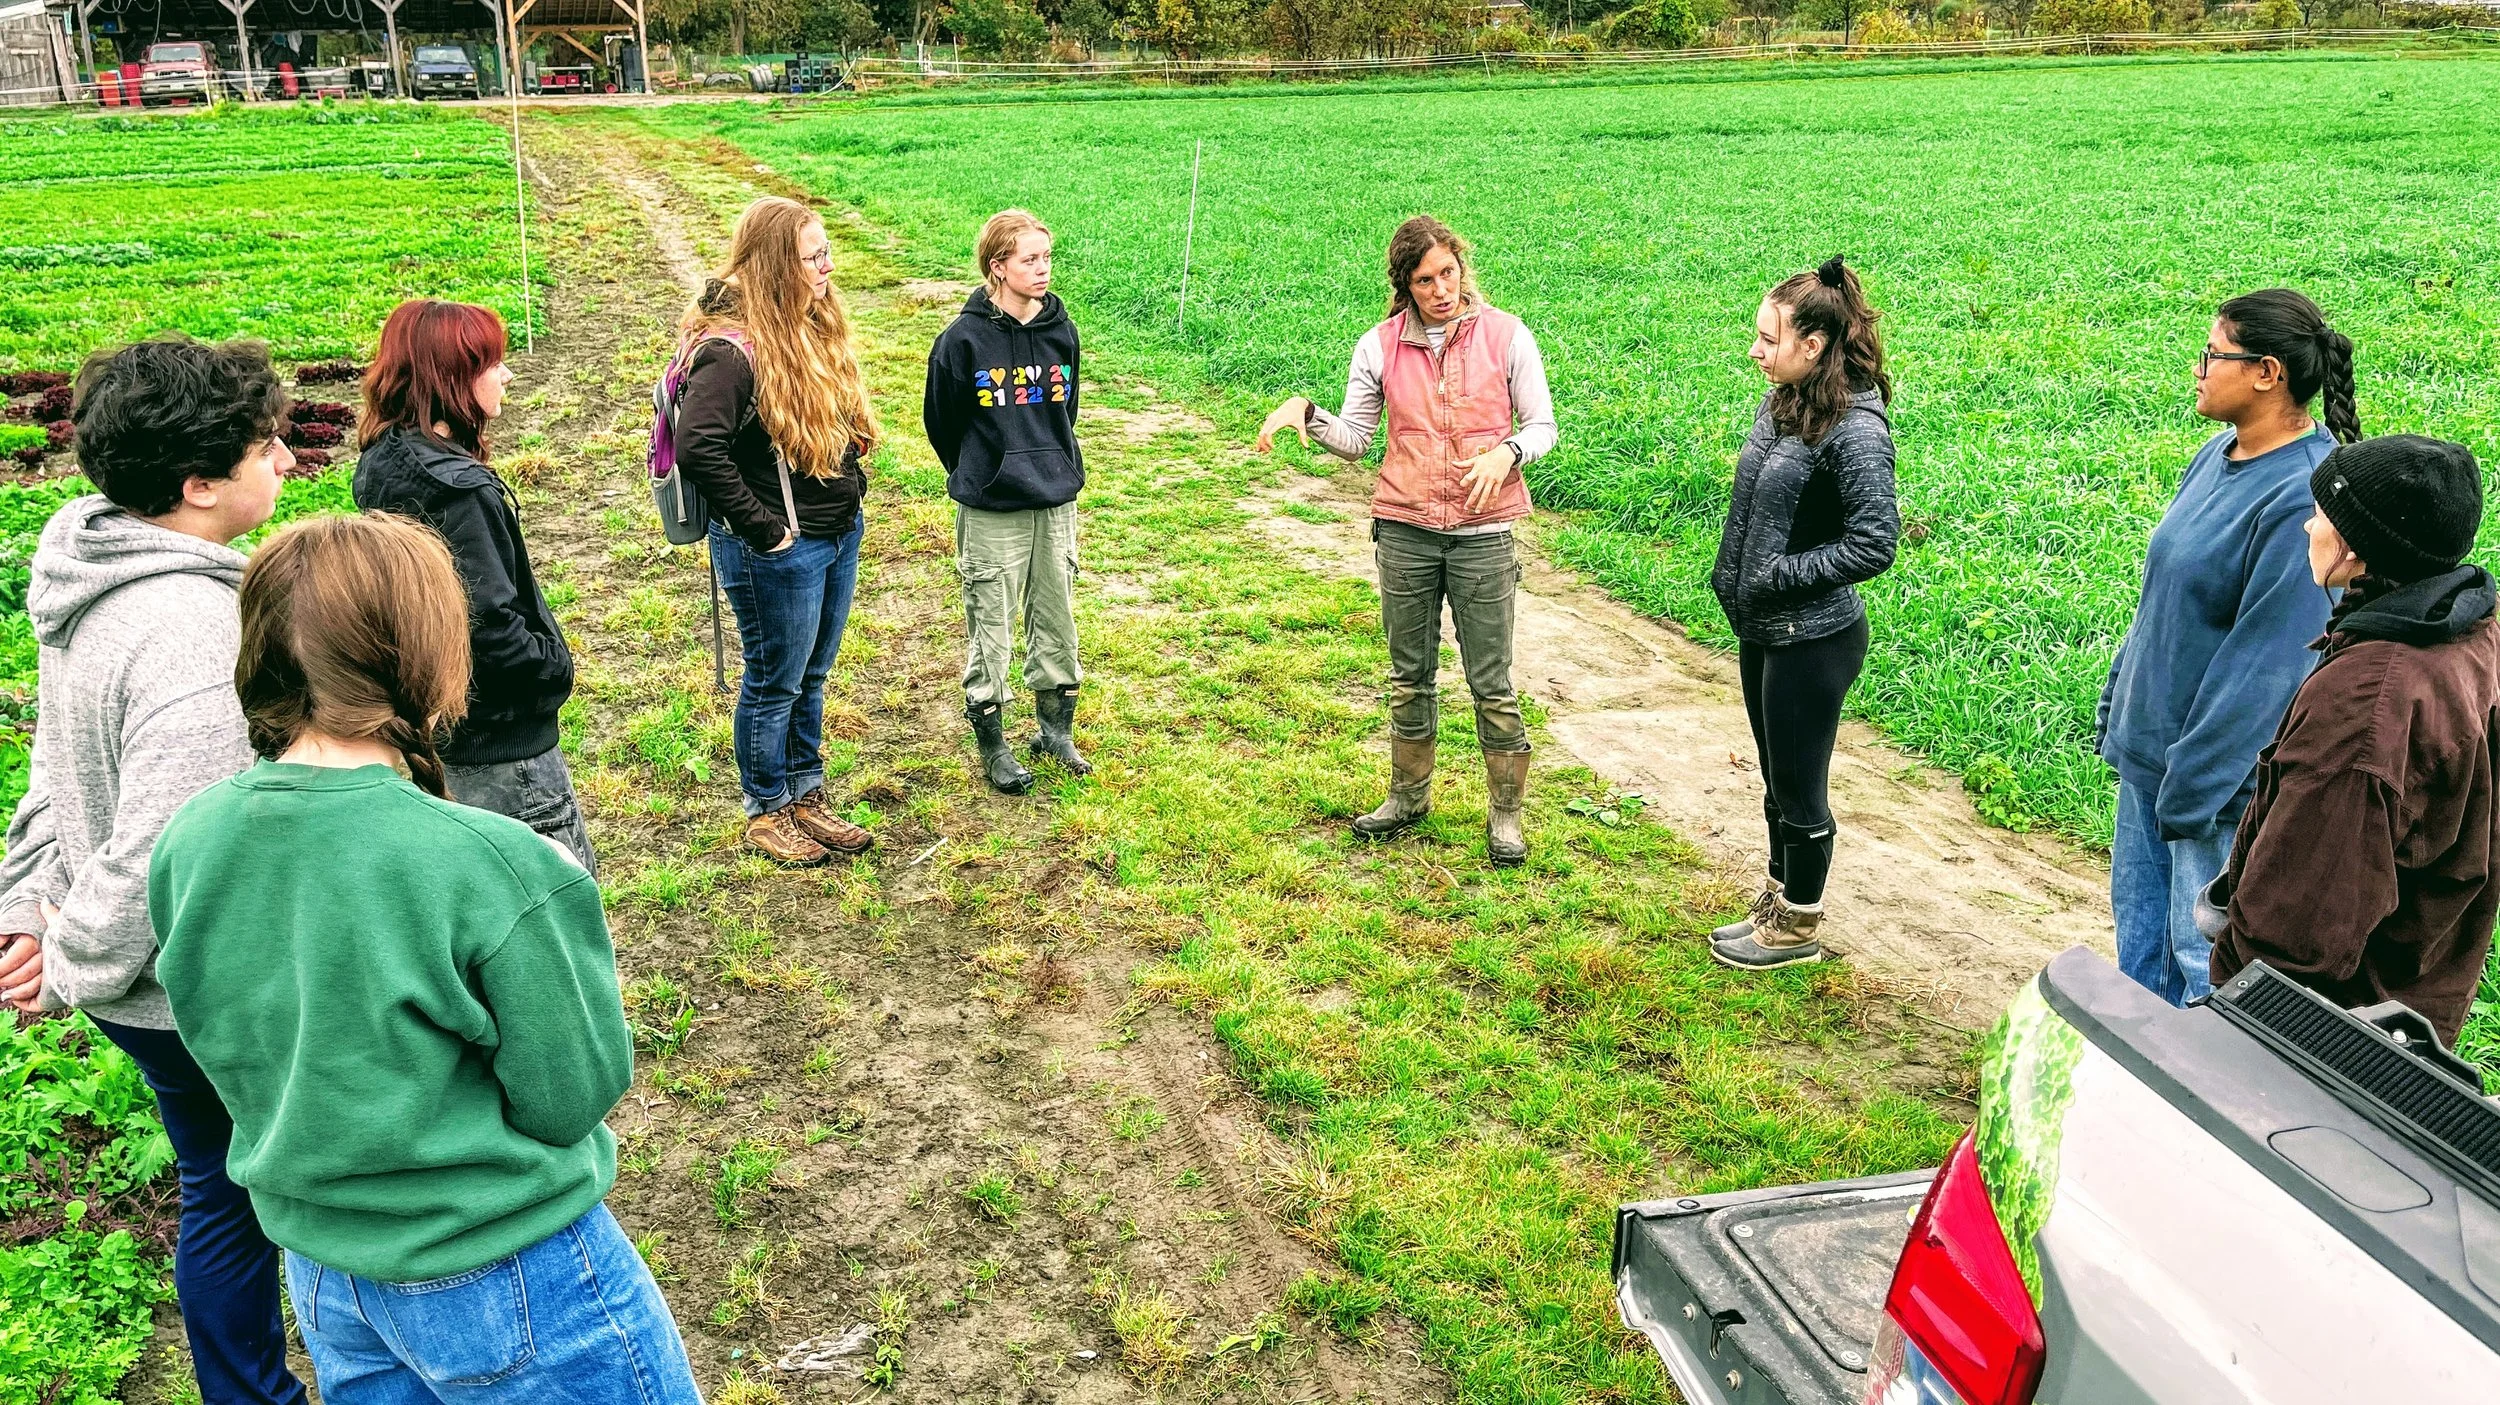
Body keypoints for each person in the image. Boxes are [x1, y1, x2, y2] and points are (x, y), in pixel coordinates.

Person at [148, 513, 700, 1404]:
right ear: (425, 653)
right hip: (509, 1272)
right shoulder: (493, 862)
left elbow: (220, 1042)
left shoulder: (191, 839)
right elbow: (571, 1097)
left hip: (326, 1274)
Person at [0, 337, 306, 1405]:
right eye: (267, 447)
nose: (289, 463)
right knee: (271, 1189)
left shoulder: (94, 562)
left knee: (218, 1187)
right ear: (198, 486)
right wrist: (73, 950)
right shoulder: (192, 632)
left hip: (132, 977)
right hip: (187, 989)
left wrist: (32, 907)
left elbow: (53, 764)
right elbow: (158, 855)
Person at [1255, 215, 1557, 865]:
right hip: (1405, 532)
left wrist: (1509, 453)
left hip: (1483, 535)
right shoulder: (1379, 346)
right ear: (1406, 285)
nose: (1442, 289)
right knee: (1409, 677)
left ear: (1461, 268)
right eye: (1426, 280)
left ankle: (1506, 815)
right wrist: (1306, 414)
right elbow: (1357, 441)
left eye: (1449, 272)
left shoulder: (1507, 336)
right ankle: (1408, 796)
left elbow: (1543, 425)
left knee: (1492, 682)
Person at [2096, 289, 2361, 1007]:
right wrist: (2122, 701)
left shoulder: (2303, 497)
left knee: (2198, 970)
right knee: (2138, 954)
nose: (2198, 367)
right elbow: (2166, 596)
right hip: (2155, 762)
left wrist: (2191, 787)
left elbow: (2268, 671)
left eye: (2212, 353)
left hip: (2209, 790)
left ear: (2267, 372)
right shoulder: (2217, 453)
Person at [2202, 437, 2498, 1047]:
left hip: (2320, 1040)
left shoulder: (2364, 706)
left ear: (2357, 544)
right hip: (2409, 1006)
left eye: (2323, 516)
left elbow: (2297, 931)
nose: (2310, 526)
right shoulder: (2471, 633)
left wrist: (2232, 1026)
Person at [1706, 257, 1900, 971]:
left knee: (1800, 788)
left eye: (1767, 338)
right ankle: (1778, 899)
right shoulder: (1785, 401)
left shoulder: (1855, 430)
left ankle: (1798, 928)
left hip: (1812, 638)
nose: (1755, 350)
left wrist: (1778, 577)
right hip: (1765, 629)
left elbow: (1875, 541)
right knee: (1775, 779)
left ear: (1812, 346)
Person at [353, 298, 592, 872]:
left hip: (443, 722)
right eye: (492, 362)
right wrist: (550, 669)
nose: (506, 374)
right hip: (504, 744)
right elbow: (487, 622)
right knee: (550, 896)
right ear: (452, 376)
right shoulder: (458, 491)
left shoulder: (385, 459)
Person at [678, 195, 881, 865]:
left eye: (827, 251)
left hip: (834, 532)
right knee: (774, 681)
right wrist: (766, 531)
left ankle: (805, 793)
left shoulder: (807, 321)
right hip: (780, 552)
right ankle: (767, 809)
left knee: (812, 675)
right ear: (774, 264)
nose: (828, 266)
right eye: (813, 255)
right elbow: (698, 446)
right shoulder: (731, 352)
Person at [924, 209, 1090, 795]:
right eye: (1030, 260)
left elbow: (1063, 412)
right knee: (991, 623)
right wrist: (984, 469)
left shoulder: (1061, 331)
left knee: (1057, 616)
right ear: (998, 268)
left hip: (1055, 499)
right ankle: (993, 743)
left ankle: (1055, 730)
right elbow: (943, 425)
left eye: (1047, 258)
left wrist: (1049, 459)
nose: (1043, 270)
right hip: (992, 506)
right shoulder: (960, 342)